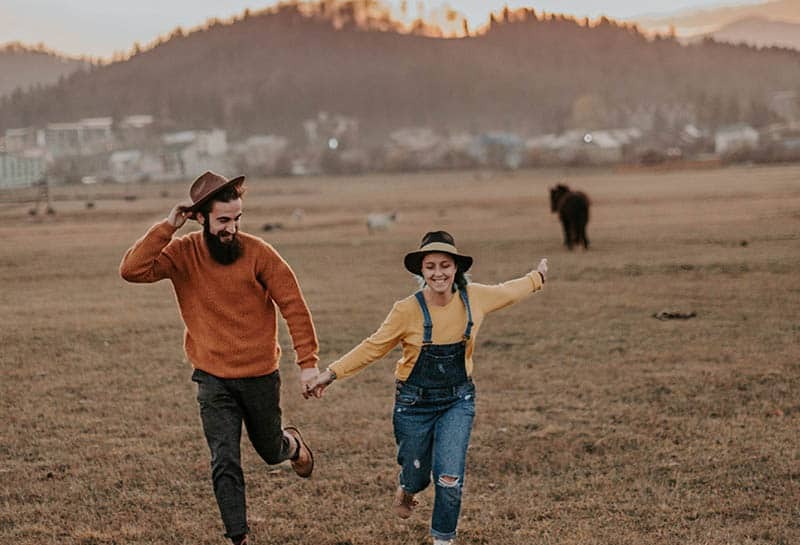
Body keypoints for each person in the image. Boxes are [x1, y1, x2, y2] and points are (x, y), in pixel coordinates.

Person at [305, 230, 548, 545]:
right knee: (418, 476)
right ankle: (407, 487)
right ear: (421, 271)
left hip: (457, 401)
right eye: (431, 266)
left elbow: (509, 291)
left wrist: (537, 277)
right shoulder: (406, 310)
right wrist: (330, 373)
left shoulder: (474, 297)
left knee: (448, 480)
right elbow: (373, 347)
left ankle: (442, 539)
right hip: (413, 404)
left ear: (456, 268)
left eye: (445, 265)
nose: (438, 273)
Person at [119, 171, 319, 545]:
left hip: (259, 374)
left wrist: (308, 364)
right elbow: (132, 270)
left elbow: (293, 304)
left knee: (270, 450)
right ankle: (238, 538)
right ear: (201, 217)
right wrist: (167, 227)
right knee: (224, 458)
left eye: (237, 219)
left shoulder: (259, 252)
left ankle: (291, 444)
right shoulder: (180, 254)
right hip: (212, 377)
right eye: (224, 220)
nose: (232, 228)